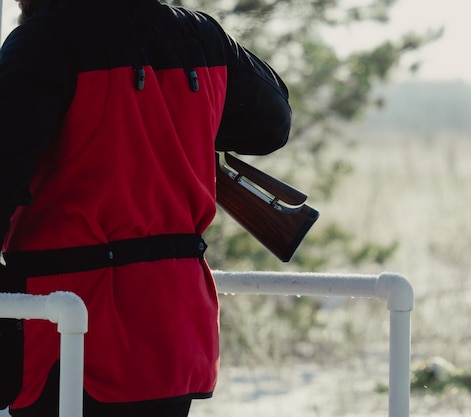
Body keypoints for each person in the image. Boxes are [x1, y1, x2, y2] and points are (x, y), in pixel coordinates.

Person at [0, 0, 291, 416]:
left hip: (72, 334)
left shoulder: (46, 40)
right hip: (176, 338)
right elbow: (273, 123)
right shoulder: (202, 37)